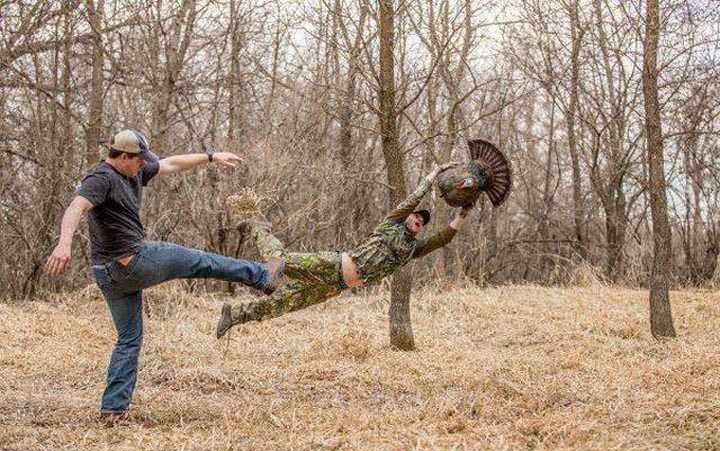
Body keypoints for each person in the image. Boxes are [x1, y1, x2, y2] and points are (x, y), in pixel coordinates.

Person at [45, 129, 284, 423]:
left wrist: (211, 157)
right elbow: (75, 207)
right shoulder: (101, 179)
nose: (143, 165)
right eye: (138, 161)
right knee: (201, 261)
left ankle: (113, 410)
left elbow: (172, 163)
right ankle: (263, 275)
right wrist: (63, 243)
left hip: (108, 275)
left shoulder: (134, 171)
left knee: (129, 339)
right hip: (132, 263)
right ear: (121, 157)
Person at [216, 162, 472, 338]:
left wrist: (462, 215)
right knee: (279, 261)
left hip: (335, 286)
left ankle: (235, 314)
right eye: (417, 217)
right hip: (334, 264)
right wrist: (432, 176)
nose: (419, 221)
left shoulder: (412, 249)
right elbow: (411, 200)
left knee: (282, 304)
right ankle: (257, 226)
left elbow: (442, 239)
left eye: (422, 222)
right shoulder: (391, 223)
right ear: (408, 218)